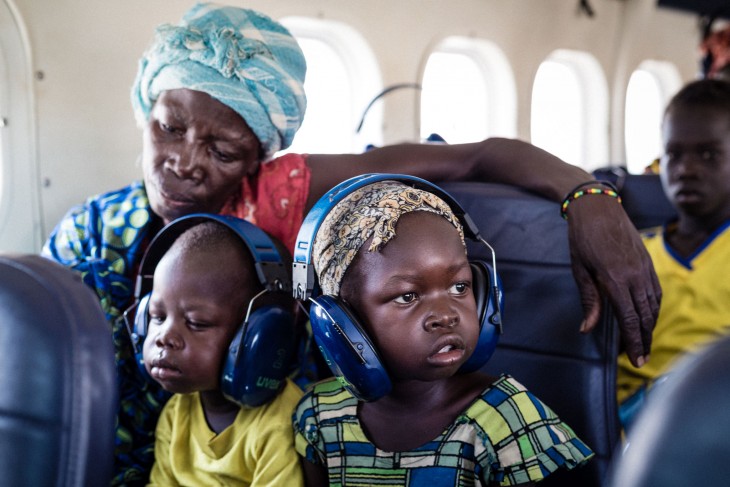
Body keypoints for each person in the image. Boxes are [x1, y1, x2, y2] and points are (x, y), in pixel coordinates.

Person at [41, 3, 658, 484]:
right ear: (146, 107)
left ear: (259, 155)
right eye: (169, 128)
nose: (184, 163)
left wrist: (588, 198)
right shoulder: (89, 236)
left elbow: (474, 157)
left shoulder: (283, 194)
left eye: (223, 149)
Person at [292, 177, 594, 485]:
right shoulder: (320, 417)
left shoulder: (509, 419)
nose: (446, 316)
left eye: (459, 286)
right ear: (339, 320)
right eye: (407, 296)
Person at [135, 215, 304, 486]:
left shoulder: (281, 423)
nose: (164, 337)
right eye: (156, 316)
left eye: (196, 323)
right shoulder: (176, 413)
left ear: (264, 337)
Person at [616, 78, 730, 429]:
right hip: (624, 428)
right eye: (674, 154)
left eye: (708, 155)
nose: (686, 169)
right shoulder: (630, 254)